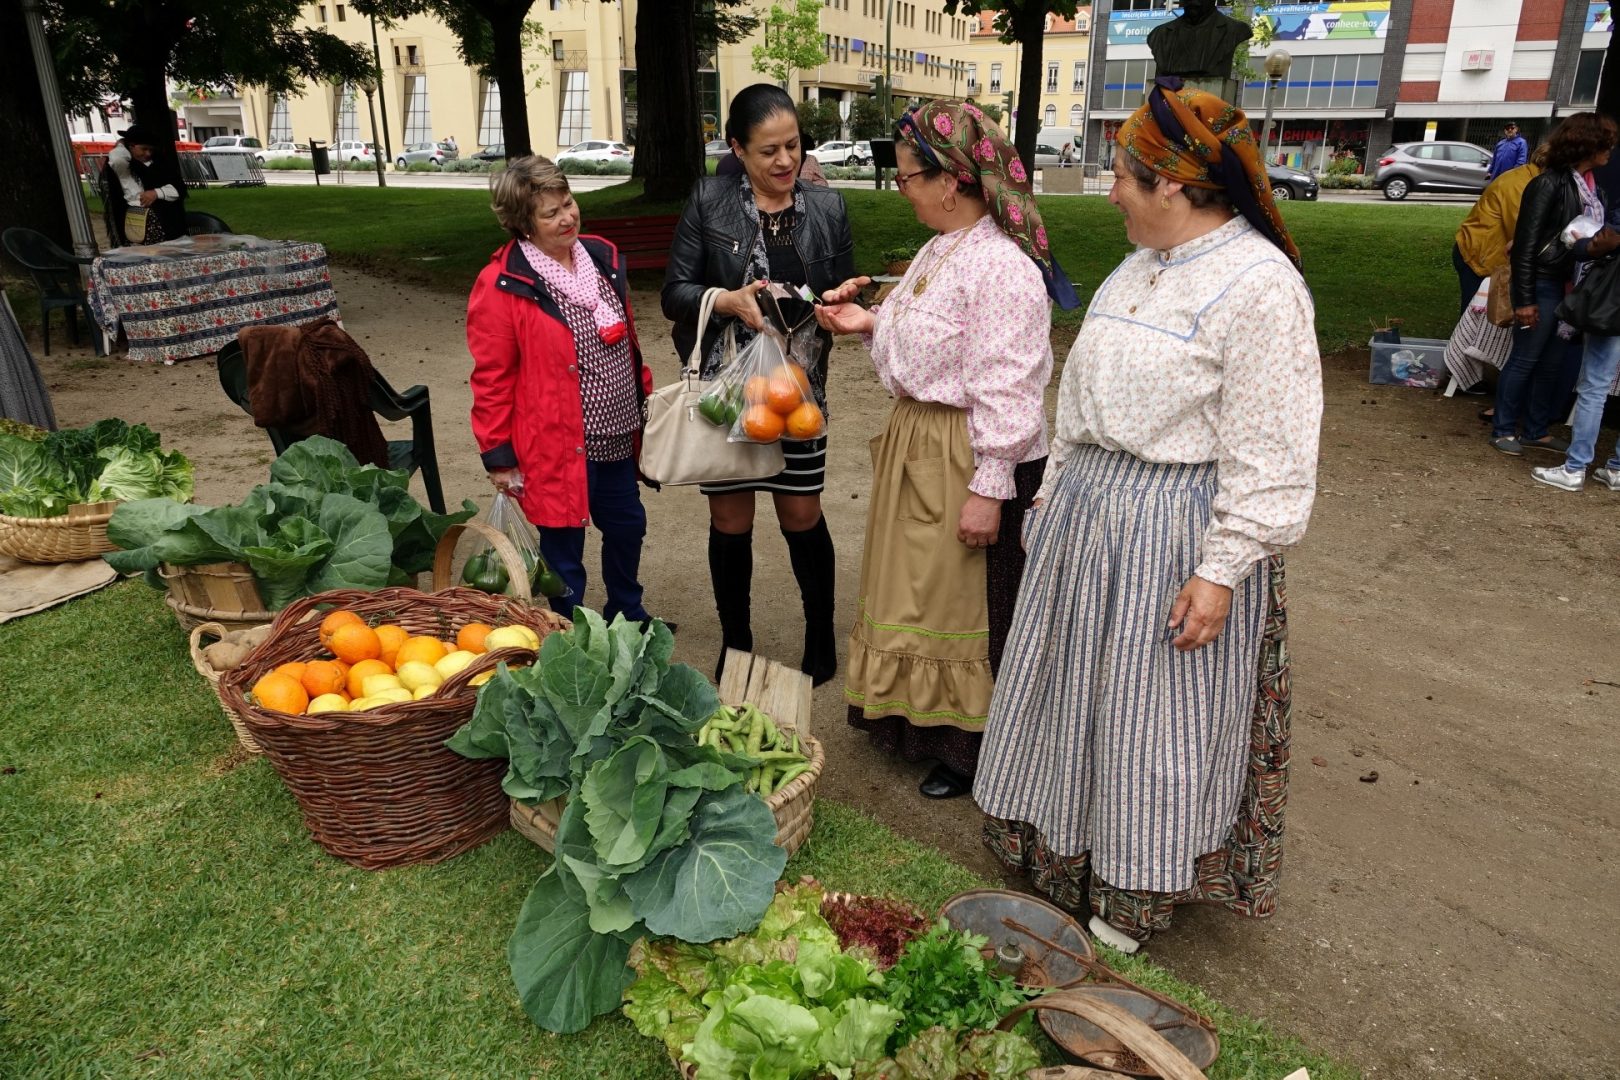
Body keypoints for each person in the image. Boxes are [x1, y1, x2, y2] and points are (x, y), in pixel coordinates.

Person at [972, 77, 1322, 952]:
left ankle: (1130, 894)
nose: (1114, 190)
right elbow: (1085, 394)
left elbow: (1272, 449)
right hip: (1088, 514)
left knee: (1149, 719)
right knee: (1069, 697)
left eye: (1125, 176)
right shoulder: (1140, 263)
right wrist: (1053, 493)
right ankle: (1062, 855)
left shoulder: (1260, 288)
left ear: (1173, 183)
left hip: (1175, 532)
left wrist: (1220, 569)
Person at [815, 100, 1080, 800]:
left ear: (952, 180)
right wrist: (871, 324)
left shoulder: (1001, 268)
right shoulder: (941, 248)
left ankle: (971, 746)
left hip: (969, 453)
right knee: (914, 591)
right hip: (922, 440)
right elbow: (936, 347)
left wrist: (990, 487)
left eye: (906, 178)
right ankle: (912, 721)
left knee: (961, 602)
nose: (901, 190)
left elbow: (1009, 385)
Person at [663, 84, 858, 685]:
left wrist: (842, 301)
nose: (784, 162)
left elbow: (842, 282)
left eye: (794, 146)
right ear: (737, 150)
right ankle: (737, 642)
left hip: (799, 393)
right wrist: (725, 298)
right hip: (729, 392)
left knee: (802, 514)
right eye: (768, 150)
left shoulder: (827, 208)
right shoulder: (709, 201)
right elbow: (675, 292)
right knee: (731, 521)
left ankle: (820, 636)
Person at [466, 155, 658, 623]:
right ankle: (570, 628)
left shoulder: (601, 257)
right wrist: (498, 455)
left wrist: (645, 395)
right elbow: (491, 378)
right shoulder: (502, 285)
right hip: (555, 443)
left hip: (617, 434)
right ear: (522, 225)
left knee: (628, 527)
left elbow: (626, 341)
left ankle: (627, 615)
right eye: (550, 213)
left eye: (567, 203)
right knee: (563, 546)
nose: (567, 217)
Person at [1493, 112, 1616, 457]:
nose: (1611, 149)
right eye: (1606, 142)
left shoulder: (1594, 187)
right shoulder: (1548, 184)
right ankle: (1503, 428)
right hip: (1544, 283)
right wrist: (1525, 299)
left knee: (1552, 362)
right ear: (1588, 143)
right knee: (1525, 357)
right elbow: (1525, 245)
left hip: (1571, 288)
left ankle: (1536, 429)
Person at [1531, 209, 1620, 492]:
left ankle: (1575, 467)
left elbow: (1606, 241)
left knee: (1595, 385)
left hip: (1612, 303)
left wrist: (1581, 243)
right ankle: (1617, 469)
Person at [1454, 143, 1546, 314]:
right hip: (1479, 257)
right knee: (1474, 318)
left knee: (1482, 319)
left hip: (1486, 254)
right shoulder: (1521, 184)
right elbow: (1522, 229)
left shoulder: (1529, 178)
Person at [105, 124, 186, 244]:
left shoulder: (160, 164)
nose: (148, 153)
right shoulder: (123, 163)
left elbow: (179, 188)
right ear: (131, 146)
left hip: (164, 223)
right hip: (133, 224)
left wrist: (156, 193)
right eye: (144, 149)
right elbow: (117, 158)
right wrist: (122, 144)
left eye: (151, 150)